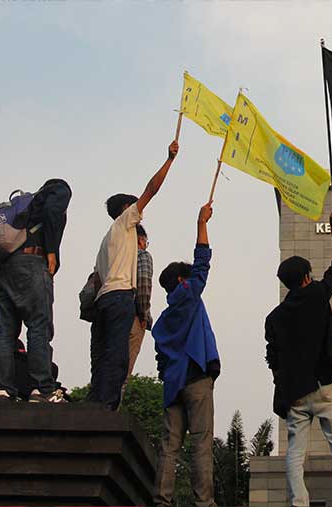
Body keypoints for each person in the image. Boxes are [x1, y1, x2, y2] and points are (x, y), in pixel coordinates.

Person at [265, 208, 332, 507]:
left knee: (295, 451)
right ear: (307, 277)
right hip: (325, 383)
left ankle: (298, 503)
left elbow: (273, 358)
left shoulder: (274, 318)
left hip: (294, 391)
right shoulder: (318, 294)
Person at [87, 140, 179, 410]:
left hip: (101, 302)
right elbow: (152, 189)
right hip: (119, 299)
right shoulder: (126, 222)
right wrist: (169, 160)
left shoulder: (106, 241)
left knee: (103, 358)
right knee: (118, 357)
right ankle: (107, 409)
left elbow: (96, 280)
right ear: (126, 208)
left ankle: (95, 405)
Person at [151, 202, 220, 507]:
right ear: (181, 282)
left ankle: (161, 501)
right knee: (201, 445)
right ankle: (203, 503)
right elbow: (202, 262)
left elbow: (160, 360)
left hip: (172, 385)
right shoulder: (189, 295)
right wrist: (201, 223)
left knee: (169, 447)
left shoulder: (162, 322)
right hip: (196, 380)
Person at [0, 178, 71, 403]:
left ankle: (3, 391)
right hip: (31, 263)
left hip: (5, 268)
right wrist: (52, 251)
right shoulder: (59, 190)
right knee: (38, 327)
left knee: (5, 330)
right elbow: (52, 212)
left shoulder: (23, 210)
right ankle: (43, 390)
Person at [126, 224, 154, 378]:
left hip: (107, 315)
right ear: (141, 240)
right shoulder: (142, 255)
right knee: (123, 373)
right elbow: (143, 284)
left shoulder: (114, 255)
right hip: (132, 316)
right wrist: (143, 315)